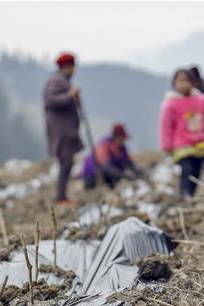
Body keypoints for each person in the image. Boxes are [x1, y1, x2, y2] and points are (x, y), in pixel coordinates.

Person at [159, 69, 204, 197]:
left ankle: (192, 194)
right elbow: (166, 126)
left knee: (197, 170)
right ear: (174, 84)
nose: (184, 85)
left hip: (200, 142)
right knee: (187, 169)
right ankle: (185, 193)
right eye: (180, 81)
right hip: (182, 144)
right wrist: (167, 146)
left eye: (187, 81)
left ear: (193, 82)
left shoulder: (202, 100)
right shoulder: (170, 104)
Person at [43, 52, 83, 207]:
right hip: (62, 132)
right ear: (67, 67)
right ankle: (61, 197)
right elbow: (50, 101)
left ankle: (62, 196)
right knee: (65, 162)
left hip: (67, 130)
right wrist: (69, 95)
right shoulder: (56, 81)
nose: (74, 70)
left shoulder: (63, 81)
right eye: (73, 67)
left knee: (68, 162)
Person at [81, 123, 142, 189]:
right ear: (116, 136)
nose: (123, 141)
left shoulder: (121, 148)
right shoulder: (104, 145)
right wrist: (124, 175)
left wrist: (138, 171)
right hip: (92, 176)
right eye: (122, 138)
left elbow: (127, 162)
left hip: (109, 174)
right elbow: (106, 167)